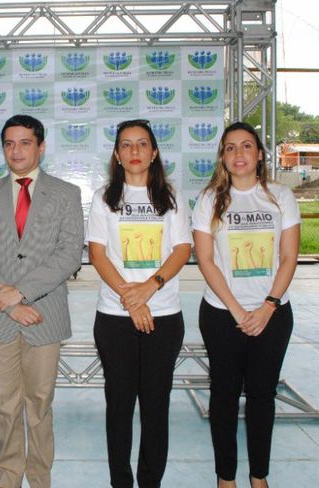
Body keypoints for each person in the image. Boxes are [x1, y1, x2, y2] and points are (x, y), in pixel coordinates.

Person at [0, 114, 83, 488]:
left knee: (39, 405)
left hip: (44, 315)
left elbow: (68, 255)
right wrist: (11, 304)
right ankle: (8, 476)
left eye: (25, 143)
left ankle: (40, 477)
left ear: (41, 147)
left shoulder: (66, 194)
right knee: (5, 406)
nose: (16, 151)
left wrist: (22, 292)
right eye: (9, 143)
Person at [191, 122, 300, 488]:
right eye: (230, 148)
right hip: (223, 316)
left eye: (246, 146)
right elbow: (206, 261)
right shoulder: (209, 199)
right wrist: (238, 311)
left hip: (272, 315)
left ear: (260, 154)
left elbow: (288, 257)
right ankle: (226, 478)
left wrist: (268, 307)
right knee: (222, 396)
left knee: (261, 397)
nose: (239, 154)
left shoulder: (280, 196)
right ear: (222, 157)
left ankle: (259, 476)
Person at [86, 119, 192, 488]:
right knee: (118, 408)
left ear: (154, 152)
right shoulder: (104, 198)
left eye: (142, 144)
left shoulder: (172, 197)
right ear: (117, 154)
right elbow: (98, 254)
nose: (134, 152)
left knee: (155, 408)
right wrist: (131, 299)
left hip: (163, 315)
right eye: (126, 145)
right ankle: (121, 482)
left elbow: (182, 249)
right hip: (115, 317)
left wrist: (149, 288)